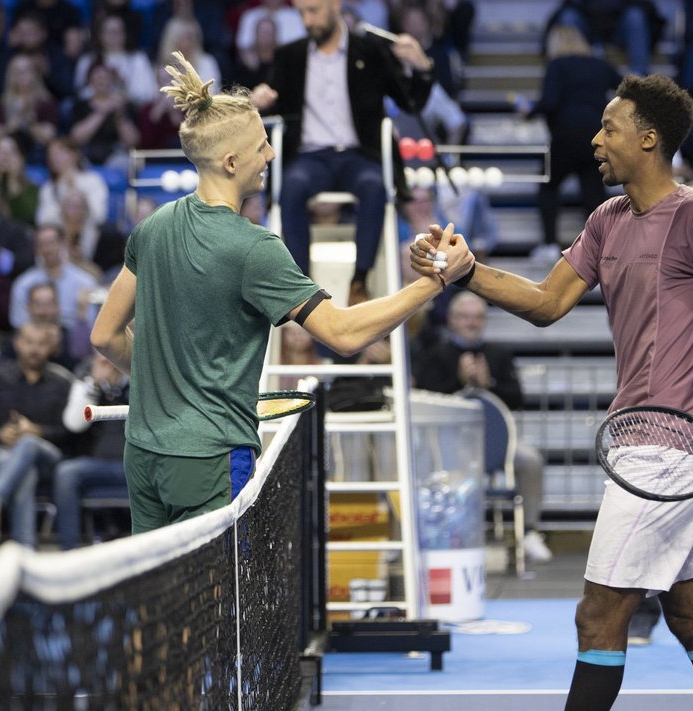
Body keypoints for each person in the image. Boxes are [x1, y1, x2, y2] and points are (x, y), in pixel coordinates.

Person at [409, 73, 693, 711]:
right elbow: (547, 301)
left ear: (649, 138)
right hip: (641, 446)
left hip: (673, 453)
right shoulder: (607, 220)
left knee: (597, 617)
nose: (595, 139)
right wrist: (466, 271)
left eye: (609, 128)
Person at [89, 52, 473, 535]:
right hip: (210, 459)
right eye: (262, 146)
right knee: (222, 606)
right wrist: (434, 280)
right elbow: (343, 333)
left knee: (162, 602)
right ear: (231, 162)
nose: (271, 155)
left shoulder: (152, 227)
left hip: (143, 453)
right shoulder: (255, 249)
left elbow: (105, 335)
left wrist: (164, 388)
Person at [250, 0, 437, 304]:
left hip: (358, 155)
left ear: (335, 5)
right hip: (311, 157)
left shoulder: (370, 52)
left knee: (375, 185)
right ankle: (300, 286)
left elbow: (410, 103)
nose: (308, 20)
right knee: (291, 186)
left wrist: (423, 67)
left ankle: (360, 281)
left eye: (313, 11)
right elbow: (271, 97)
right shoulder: (290, 55)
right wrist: (259, 97)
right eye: (302, 14)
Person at [412, 291, 553, 563]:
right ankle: (438, 533)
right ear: (451, 320)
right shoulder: (436, 354)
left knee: (530, 460)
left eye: (477, 317)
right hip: (448, 446)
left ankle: (530, 531)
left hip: (498, 444)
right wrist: (459, 381)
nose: (471, 323)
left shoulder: (498, 354)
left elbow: (517, 399)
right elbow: (427, 397)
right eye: (465, 317)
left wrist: (489, 385)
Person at [0, 321, 75, 547]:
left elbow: (71, 432)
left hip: (49, 459)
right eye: (29, 342)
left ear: (51, 347)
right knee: (26, 476)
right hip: (3, 455)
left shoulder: (62, 382)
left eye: (41, 344)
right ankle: (25, 552)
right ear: (17, 343)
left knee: (28, 442)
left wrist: (38, 431)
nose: (34, 349)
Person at [524, 24, 620, 262]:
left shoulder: (557, 65)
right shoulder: (599, 65)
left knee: (548, 185)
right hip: (597, 136)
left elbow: (549, 102)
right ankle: (603, 248)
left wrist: (528, 110)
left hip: (566, 136)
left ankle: (548, 243)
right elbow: (625, 89)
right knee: (593, 191)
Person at [56, 351, 129, 549]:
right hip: (95, 464)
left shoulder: (143, 374)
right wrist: (95, 386)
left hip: (134, 464)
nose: (109, 361)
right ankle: (70, 554)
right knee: (66, 473)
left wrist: (126, 376)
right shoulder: (86, 377)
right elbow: (73, 424)